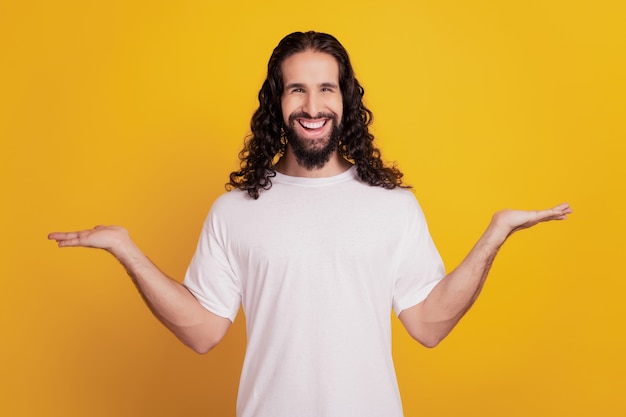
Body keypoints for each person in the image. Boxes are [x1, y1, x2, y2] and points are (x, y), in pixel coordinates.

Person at [48, 31, 572, 417]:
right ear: (277, 103)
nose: (313, 105)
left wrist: (493, 236)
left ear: (346, 101)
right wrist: (126, 250)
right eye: (296, 90)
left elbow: (429, 325)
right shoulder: (235, 211)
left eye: (327, 89)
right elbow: (205, 330)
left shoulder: (391, 206)